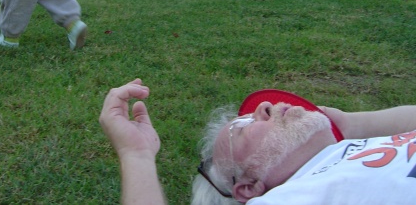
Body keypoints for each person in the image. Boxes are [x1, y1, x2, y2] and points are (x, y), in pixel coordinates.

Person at [99, 79, 416, 205]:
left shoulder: (354, 149)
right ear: (249, 188)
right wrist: (136, 155)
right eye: (244, 127)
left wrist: (344, 124)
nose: (265, 107)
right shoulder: (292, 196)